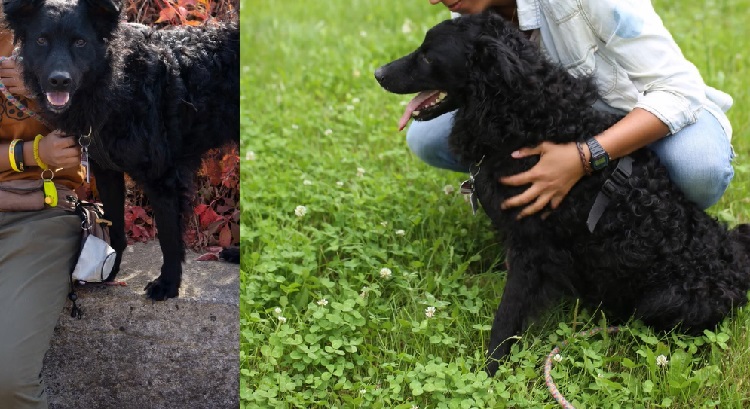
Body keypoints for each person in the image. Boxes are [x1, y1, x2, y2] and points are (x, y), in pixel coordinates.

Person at [411, 0, 734, 218]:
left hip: (646, 107)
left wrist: (584, 157)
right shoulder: (474, 8)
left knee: (698, 168)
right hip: (566, 119)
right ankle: (539, 212)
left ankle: (663, 224)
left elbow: (678, 89)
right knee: (429, 137)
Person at [0, 24, 84, 408]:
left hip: (37, 217)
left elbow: (103, 133)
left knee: (8, 379)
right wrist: (29, 153)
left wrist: (37, 90)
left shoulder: (64, 24)